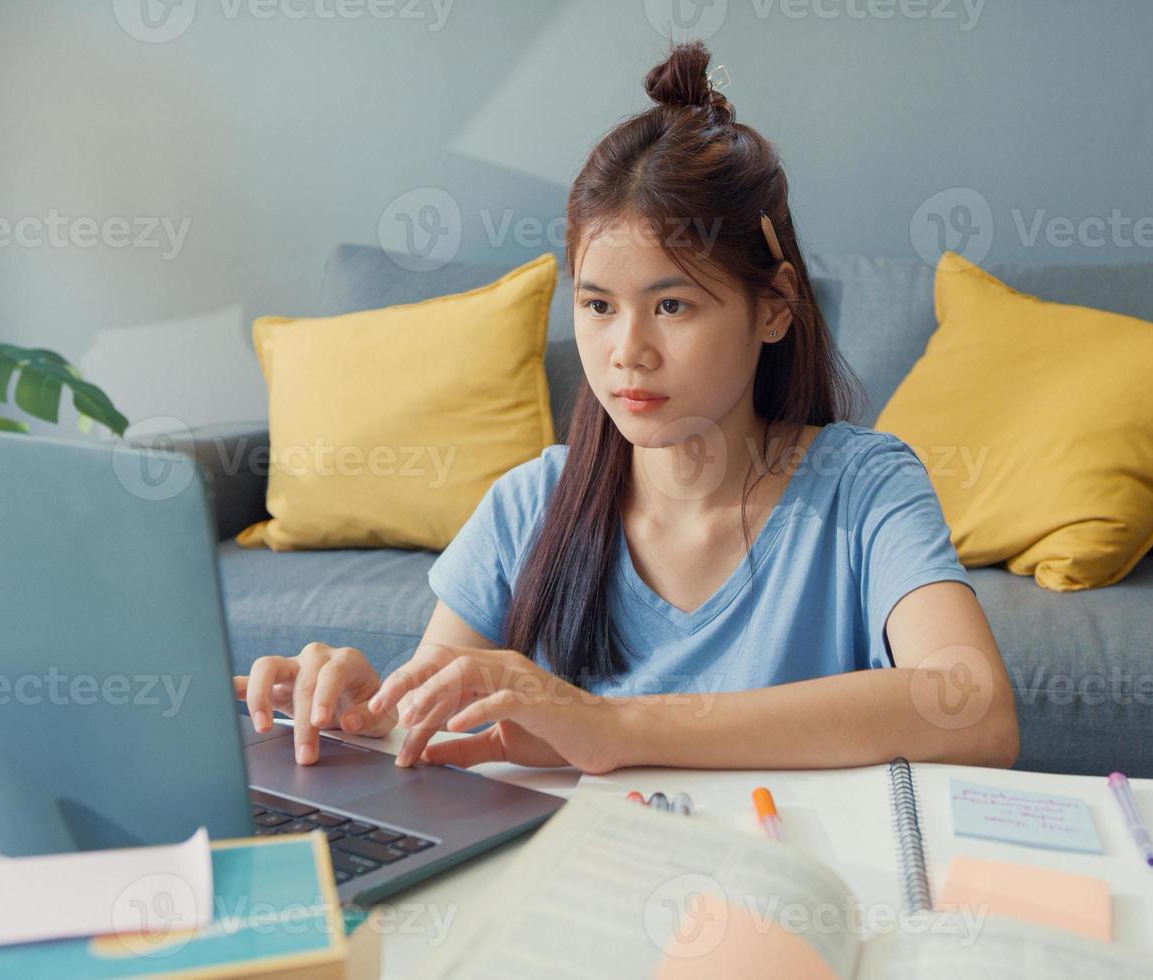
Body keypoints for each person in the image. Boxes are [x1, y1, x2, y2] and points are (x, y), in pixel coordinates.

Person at [236, 40, 1018, 775]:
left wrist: (615, 728)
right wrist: (365, 715)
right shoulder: (528, 507)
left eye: (672, 305)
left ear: (774, 308)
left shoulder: (863, 487)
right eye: (599, 305)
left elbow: (973, 708)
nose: (627, 351)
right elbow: (435, 727)